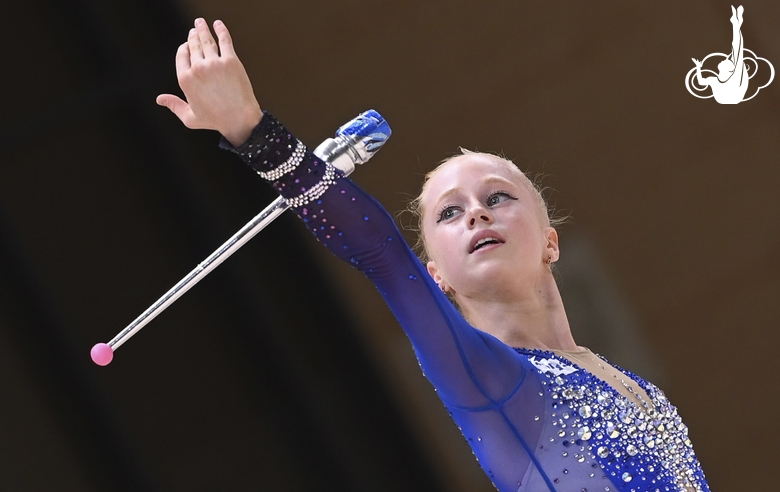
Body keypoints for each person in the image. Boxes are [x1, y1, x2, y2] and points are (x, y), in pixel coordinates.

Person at [157, 18, 711, 492]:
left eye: (497, 197)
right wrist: (253, 131)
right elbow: (379, 250)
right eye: (449, 212)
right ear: (436, 275)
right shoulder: (490, 382)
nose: (476, 213)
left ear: (551, 240)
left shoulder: (638, 388)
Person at [692, 5, 747, 104]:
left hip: (732, 96)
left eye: (726, 61)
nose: (724, 59)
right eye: (727, 60)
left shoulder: (731, 78)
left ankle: (736, 24)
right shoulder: (716, 80)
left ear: (728, 69)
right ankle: (736, 24)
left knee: (737, 50)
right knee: (737, 51)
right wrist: (698, 67)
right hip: (730, 97)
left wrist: (698, 68)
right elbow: (701, 82)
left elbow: (737, 49)